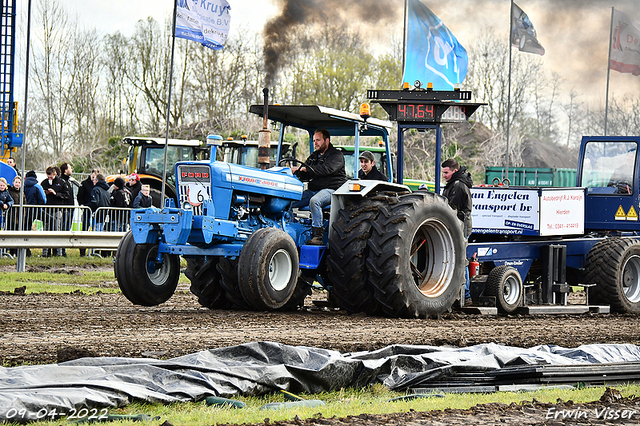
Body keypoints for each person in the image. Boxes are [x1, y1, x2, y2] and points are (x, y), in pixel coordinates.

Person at [291, 129, 348, 245]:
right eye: (314, 141)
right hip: (313, 190)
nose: (315, 143)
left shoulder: (336, 155)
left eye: (318, 140)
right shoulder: (314, 156)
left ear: (327, 141)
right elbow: (305, 171)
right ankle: (290, 226)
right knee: (290, 200)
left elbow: (327, 169)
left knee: (315, 201)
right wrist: (297, 171)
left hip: (332, 189)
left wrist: (306, 169)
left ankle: (318, 235)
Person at [441, 158, 473, 303]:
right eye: (443, 173)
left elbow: (452, 208)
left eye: (446, 173)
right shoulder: (453, 184)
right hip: (458, 224)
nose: (444, 175)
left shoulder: (458, 186)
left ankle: (465, 294)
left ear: (454, 171)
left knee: (460, 257)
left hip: (460, 225)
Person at [77, 169, 98, 255]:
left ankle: (94, 250)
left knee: (96, 229)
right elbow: (80, 195)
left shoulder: (97, 184)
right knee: (84, 229)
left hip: (96, 210)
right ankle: (82, 250)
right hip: (87, 208)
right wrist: (82, 205)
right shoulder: (85, 183)